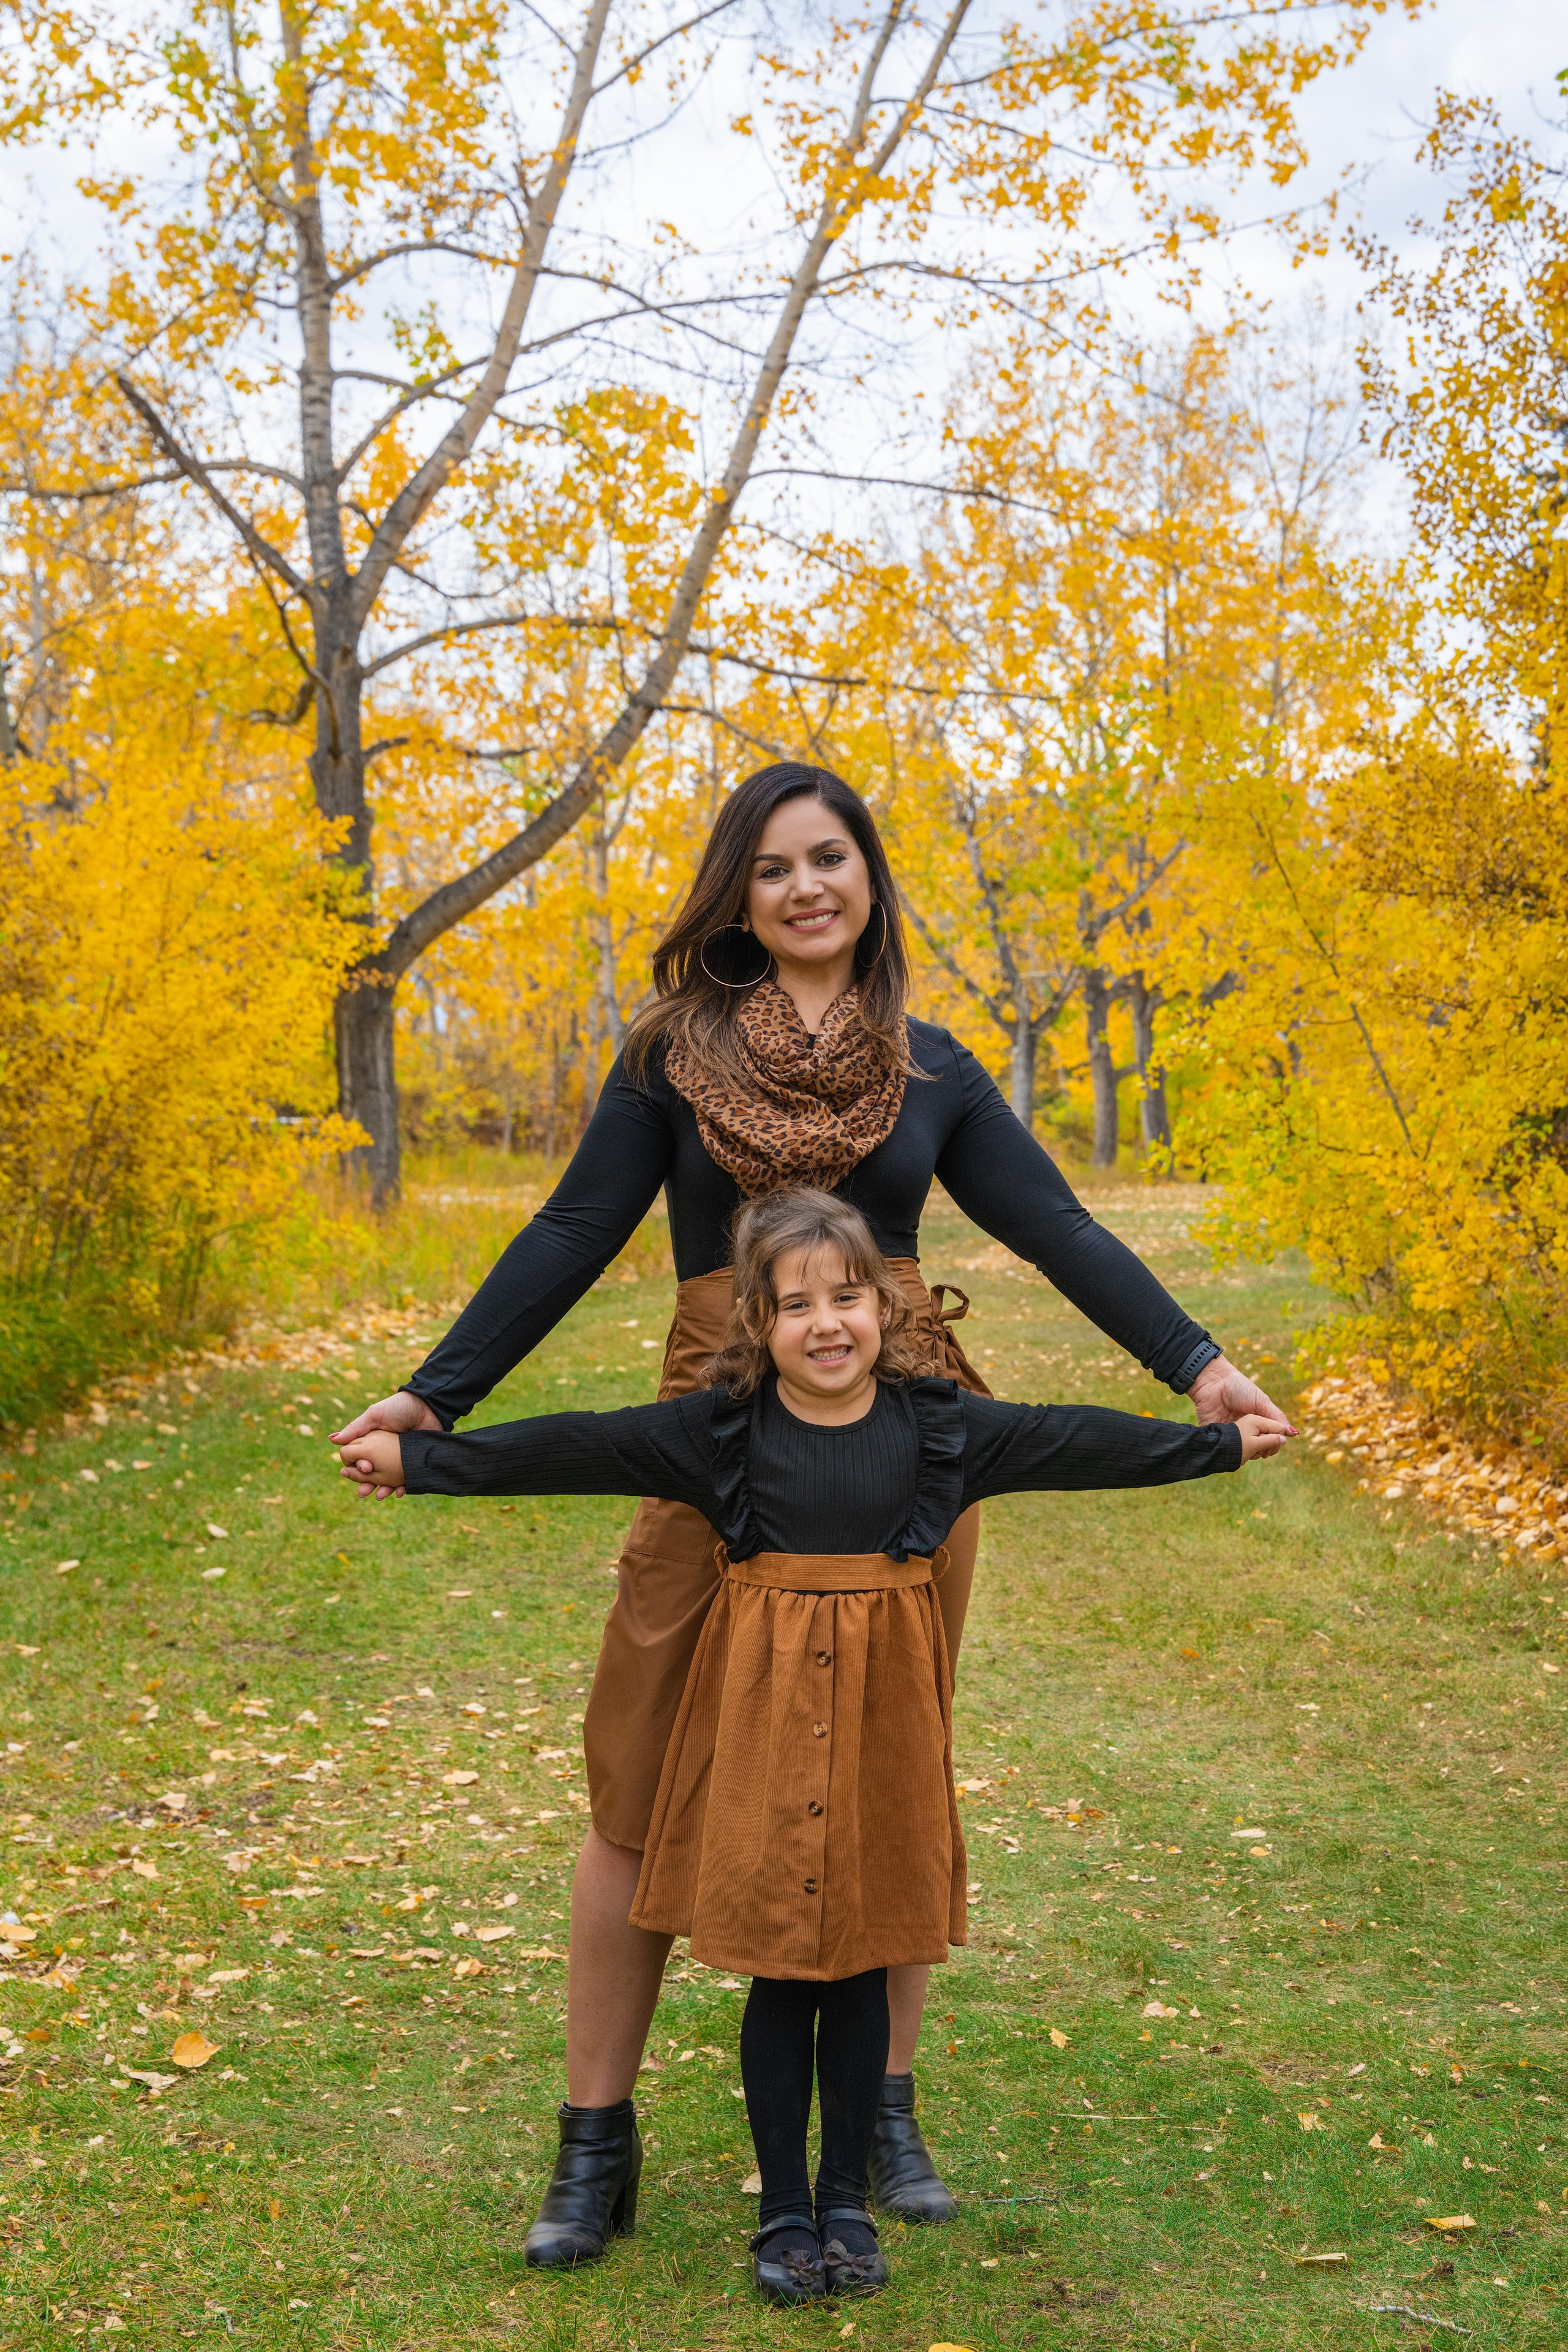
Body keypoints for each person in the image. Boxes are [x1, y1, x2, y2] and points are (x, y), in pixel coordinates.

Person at [330, 758, 1291, 2263]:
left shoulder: (931, 1068)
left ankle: (884, 2112)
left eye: (828, 858)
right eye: (772, 865)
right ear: (739, 891)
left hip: (899, 1435)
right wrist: (434, 1397)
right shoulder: (669, 1055)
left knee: (895, 1762)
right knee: (637, 1770)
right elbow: (575, 1226)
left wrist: (1202, 1368)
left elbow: (1055, 1225)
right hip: (718, 1425)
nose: (803, 888)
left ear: (867, 879)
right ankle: (595, 2139)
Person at [334, 1188, 1289, 2301]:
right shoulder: (721, 1433)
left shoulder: (939, 1425)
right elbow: (581, 1448)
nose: (827, 1324)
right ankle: (785, 2213)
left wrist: (1211, 1445)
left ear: (886, 1308)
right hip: (766, 1738)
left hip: (887, 1732)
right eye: (797, 1306)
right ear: (756, 1323)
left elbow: (1071, 1439)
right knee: (785, 1965)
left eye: (848, 1299)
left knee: (869, 1956)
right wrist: (428, 1460)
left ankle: (847, 2201)